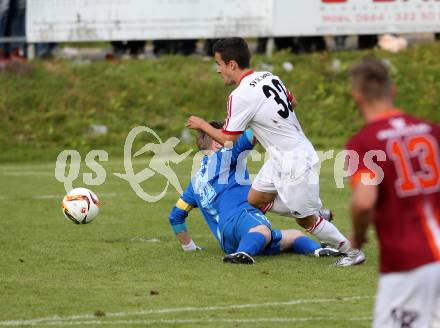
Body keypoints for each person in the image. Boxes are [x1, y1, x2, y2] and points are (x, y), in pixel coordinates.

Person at [186, 37, 364, 266]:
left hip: (295, 159)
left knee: (307, 222)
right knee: (255, 198)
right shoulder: (269, 76)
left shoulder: (239, 96)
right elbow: (293, 102)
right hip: (280, 157)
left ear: (231, 64)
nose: (218, 70)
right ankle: (314, 211)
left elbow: (227, 140)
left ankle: (352, 252)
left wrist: (201, 124)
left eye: (218, 64)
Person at [346, 57, 440, 327]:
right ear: (393, 89)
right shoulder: (433, 132)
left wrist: (359, 237)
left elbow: (364, 202)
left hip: (408, 263)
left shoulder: (363, 143)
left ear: (357, 96)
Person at [169, 122, 340, 264]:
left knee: (294, 236)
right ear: (217, 143)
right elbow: (249, 138)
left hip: (228, 240)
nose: (230, 138)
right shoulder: (224, 155)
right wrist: (263, 118)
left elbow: (176, 216)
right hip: (242, 217)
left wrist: (189, 247)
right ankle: (242, 254)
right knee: (263, 230)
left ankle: (319, 250)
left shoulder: (195, 183)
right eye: (226, 136)